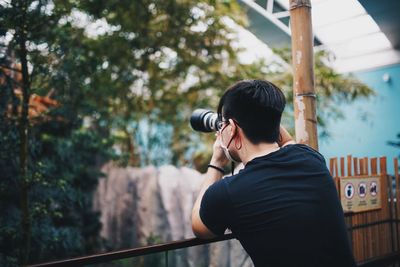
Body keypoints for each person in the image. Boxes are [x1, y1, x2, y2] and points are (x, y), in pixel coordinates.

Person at [191, 80, 356, 267]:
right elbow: (287, 141)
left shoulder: (228, 193)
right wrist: (261, 115)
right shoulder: (311, 159)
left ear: (231, 128)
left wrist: (217, 161)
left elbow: (199, 227)